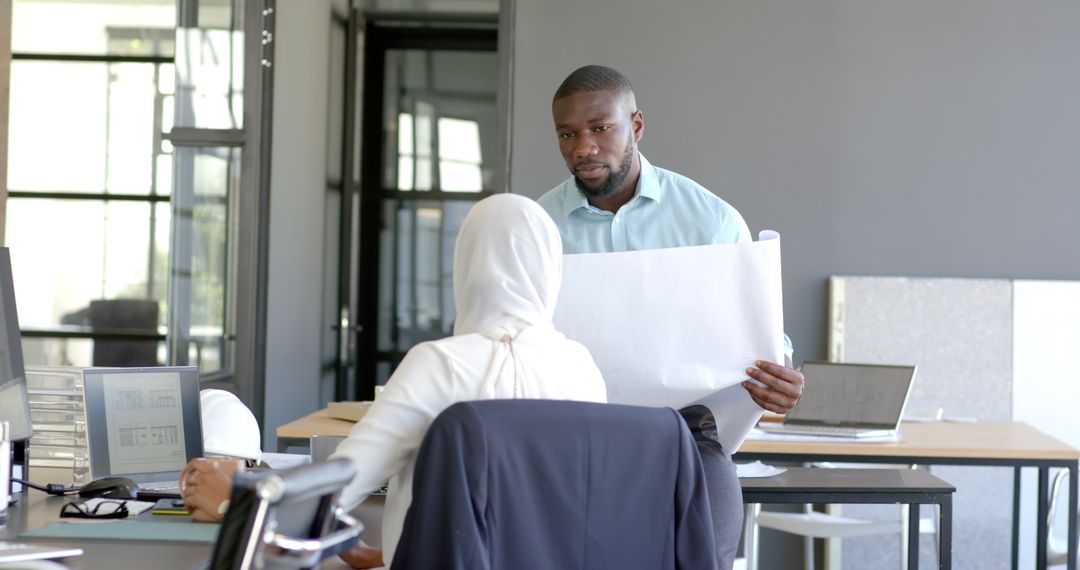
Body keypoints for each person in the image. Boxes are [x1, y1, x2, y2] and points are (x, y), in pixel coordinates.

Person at [179, 194, 608, 568]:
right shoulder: (582, 368)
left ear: (467, 265)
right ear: (551, 266)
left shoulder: (439, 363)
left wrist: (235, 495)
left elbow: (336, 490)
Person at [537, 64, 806, 569]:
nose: (583, 148)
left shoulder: (711, 219)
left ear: (636, 126)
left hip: (688, 438)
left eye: (601, 128)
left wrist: (781, 372)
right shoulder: (537, 225)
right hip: (574, 440)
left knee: (706, 553)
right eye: (567, 133)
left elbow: (764, 333)